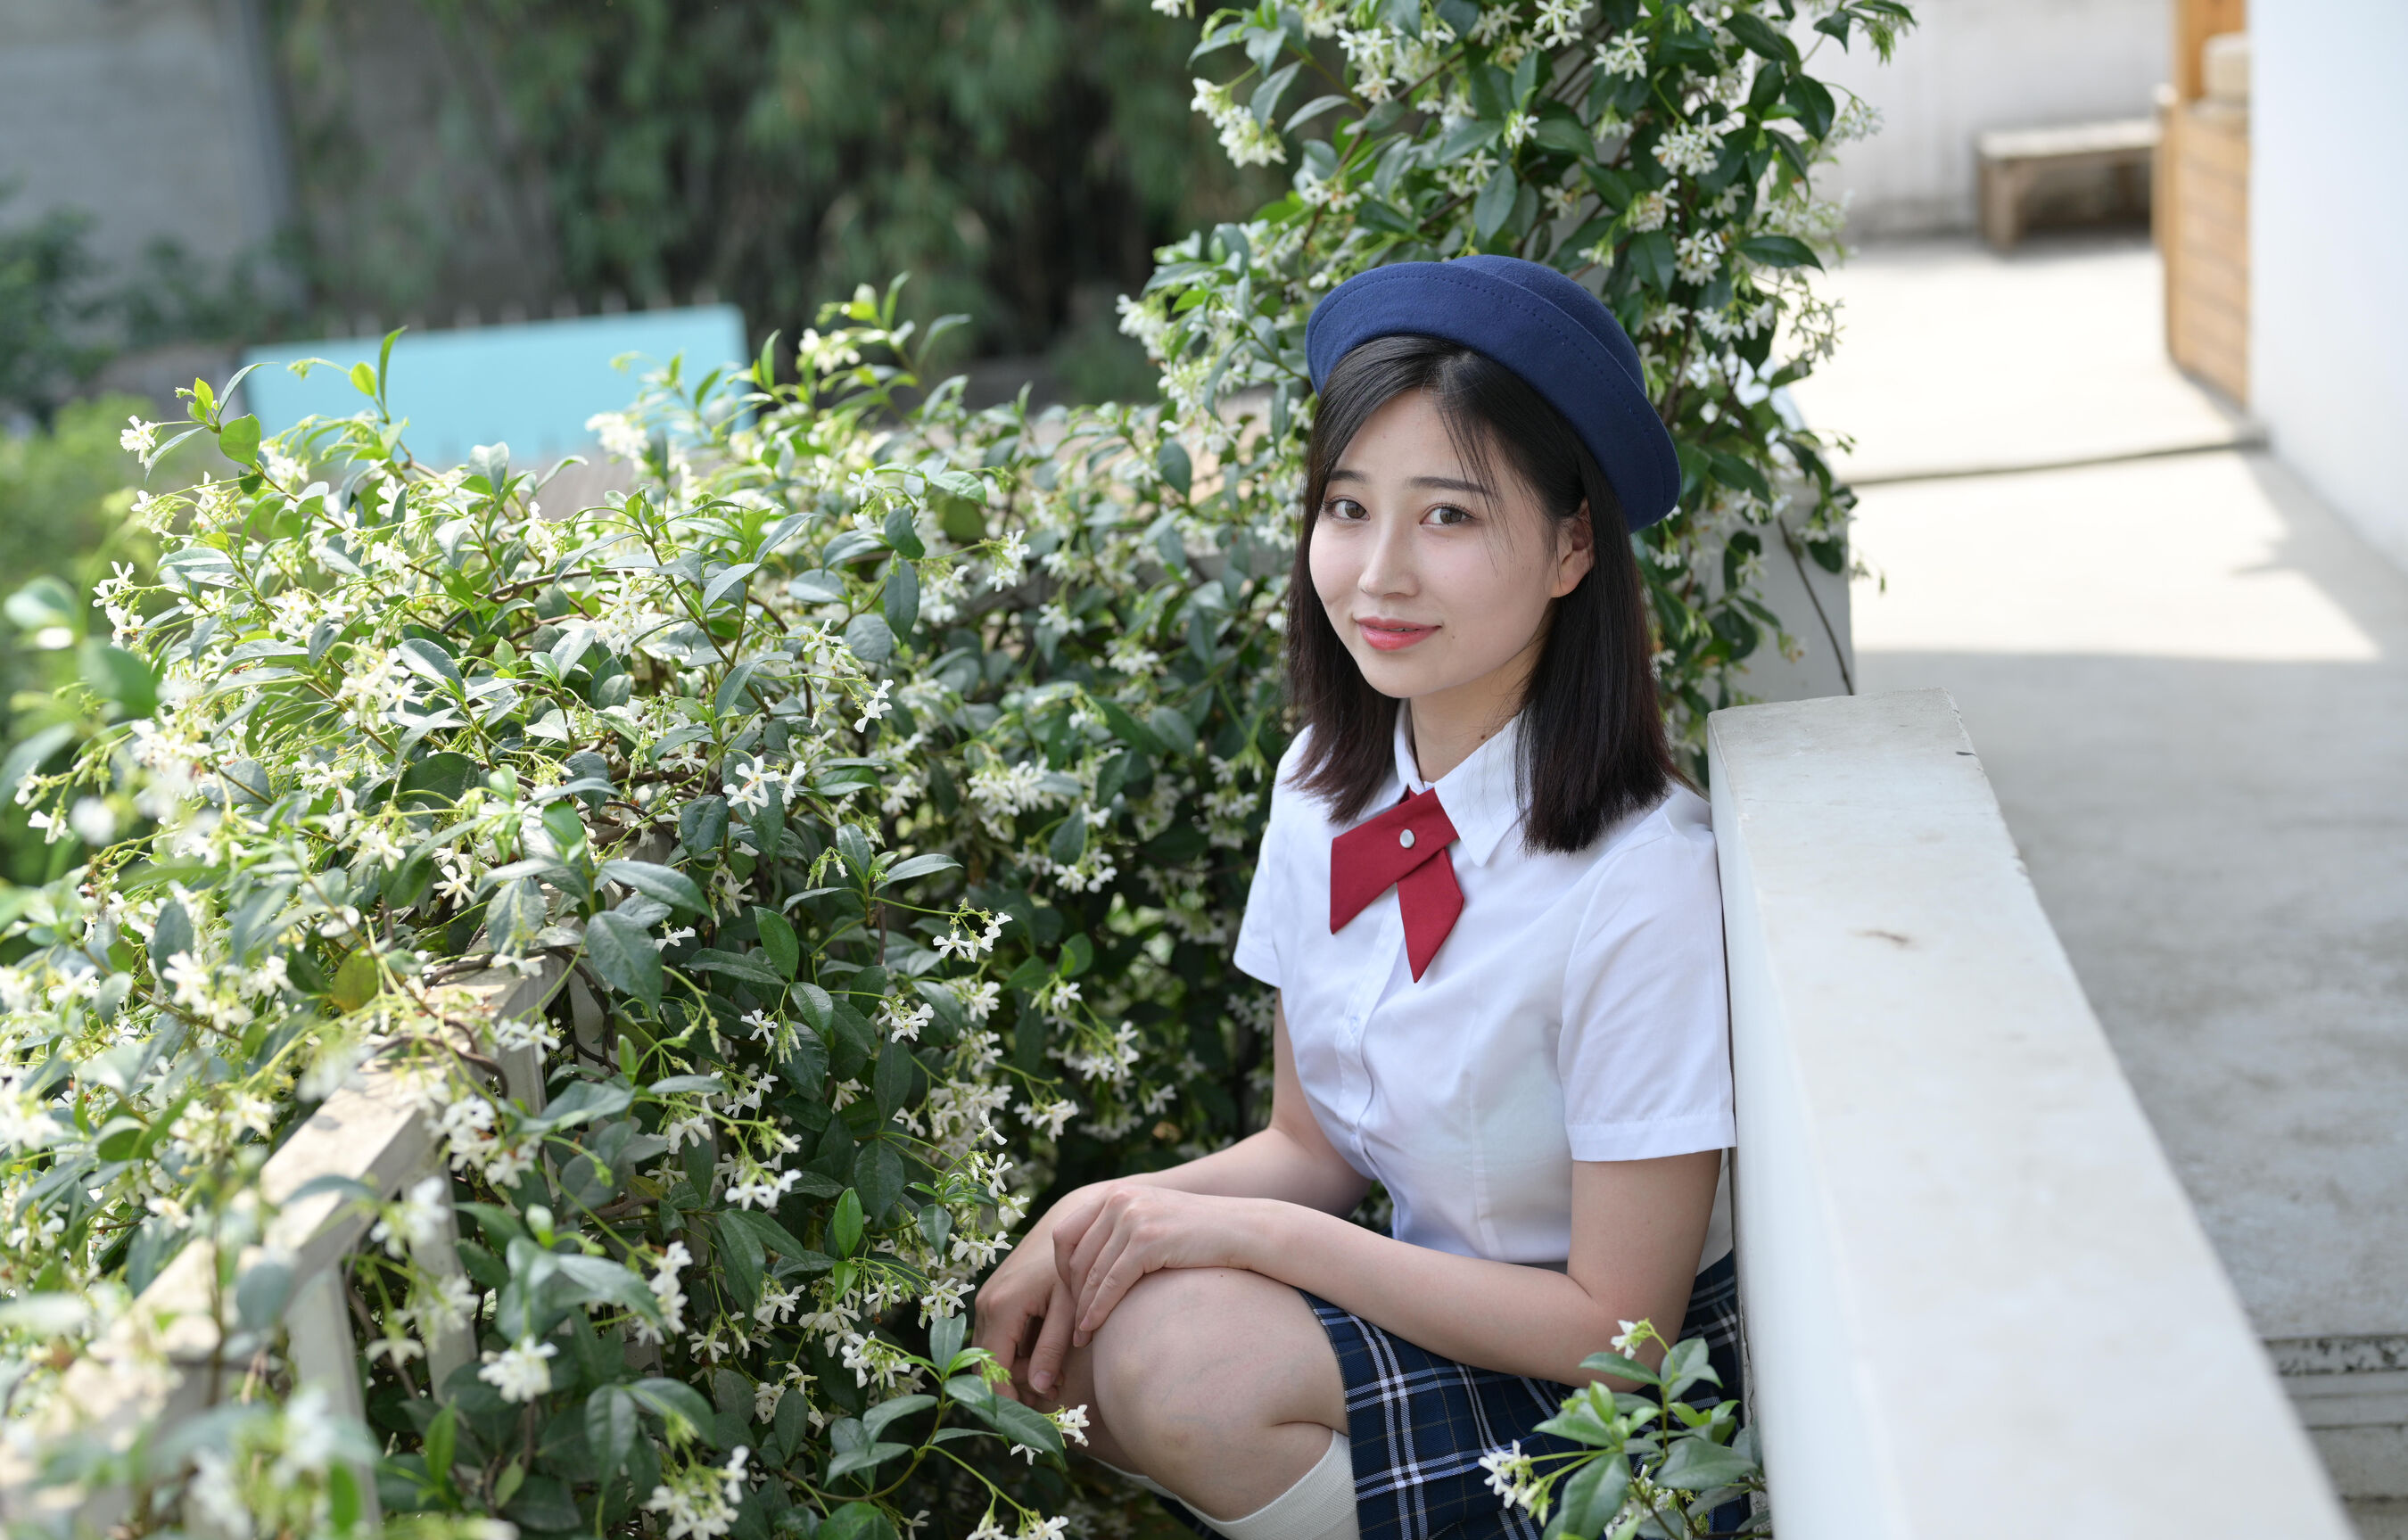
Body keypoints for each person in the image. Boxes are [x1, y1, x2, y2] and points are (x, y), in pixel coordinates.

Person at [970, 254, 1737, 1540]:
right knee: (1089, 1320)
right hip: (1433, 1305)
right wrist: (1091, 1217)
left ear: (1571, 546)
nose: (1379, 574)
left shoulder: (1641, 878)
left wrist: (1248, 1242)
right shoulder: (1324, 788)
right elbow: (1313, 1151)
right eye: (1347, 507)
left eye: (1448, 517)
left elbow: (1624, 1333)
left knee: (1182, 1360)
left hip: (1611, 1409)